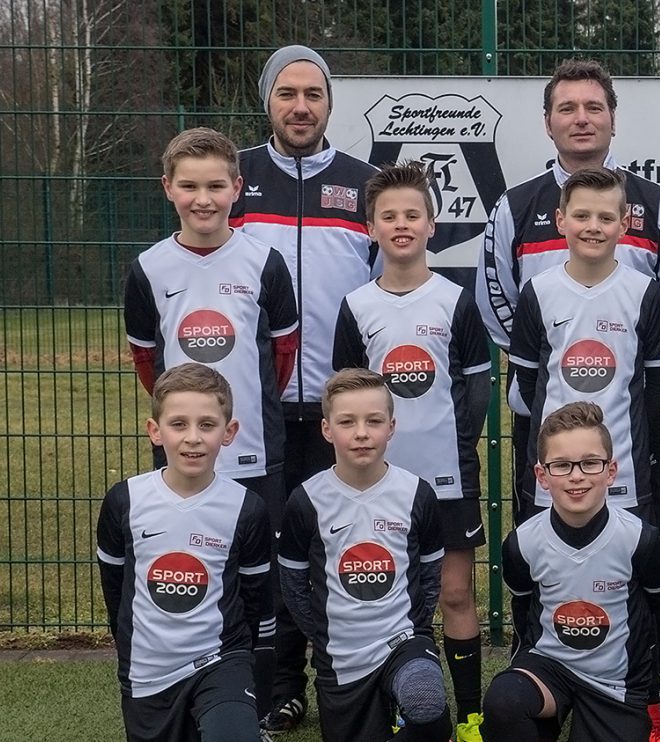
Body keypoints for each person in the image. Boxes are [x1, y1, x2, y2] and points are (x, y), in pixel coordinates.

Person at [474, 57, 660, 549]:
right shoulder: (515, 205)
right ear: (548, 121)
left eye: (594, 106)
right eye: (566, 108)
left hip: (629, 412)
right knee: (540, 544)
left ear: (613, 117)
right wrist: (550, 354)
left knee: (637, 547)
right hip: (544, 406)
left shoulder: (655, 204)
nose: (581, 118)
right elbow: (498, 298)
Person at [229, 44, 379, 733]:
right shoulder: (234, 178)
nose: (299, 106)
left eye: (312, 94)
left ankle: (344, 676)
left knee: (333, 547)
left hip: (337, 410)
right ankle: (276, 685)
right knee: (261, 549)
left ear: (328, 104)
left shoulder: (363, 182)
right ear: (268, 100)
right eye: (286, 93)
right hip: (253, 410)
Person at [331, 161, 491, 741]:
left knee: (453, 593)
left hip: (446, 477)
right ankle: (411, 707)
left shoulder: (457, 301)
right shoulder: (356, 307)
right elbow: (346, 395)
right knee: (398, 602)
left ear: (432, 223)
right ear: (371, 227)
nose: (401, 225)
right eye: (389, 216)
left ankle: (470, 718)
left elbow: (474, 391)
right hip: (379, 482)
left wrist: (450, 445)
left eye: (412, 215)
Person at [124, 126, 299, 533]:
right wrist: (186, 415)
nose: (203, 200)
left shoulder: (266, 263)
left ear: (236, 188)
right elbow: (147, 361)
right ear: (168, 187)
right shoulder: (148, 268)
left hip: (255, 448)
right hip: (182, 453)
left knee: (261, 576)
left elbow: (282, 357)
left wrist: (251, 398)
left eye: (216, 186)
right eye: (189, 186)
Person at [97, 363, 275, 742]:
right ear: (155, 431)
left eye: (207, 425)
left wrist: (242, 659)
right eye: (179, 424)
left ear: (229, 433)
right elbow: (115, 589)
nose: (192, 438)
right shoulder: (124, 501)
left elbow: (255, 598)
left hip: (221, 659)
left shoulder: (248, 508)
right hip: (147, 669)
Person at [481, 402, 660, 742]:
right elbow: (524, 609)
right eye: (561, 465)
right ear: (542, 476)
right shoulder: (522, 544)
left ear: (611, 471)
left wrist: (650, 686)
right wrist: (522, 666)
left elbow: (658, 610)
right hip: (549, 669)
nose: (576, 476)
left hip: (616, 680)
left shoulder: (640, 541)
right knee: (504, 702)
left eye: (590, 463)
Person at [275, 368, 452, 741]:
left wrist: (414, 625)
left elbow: (431, 574)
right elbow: (293, 585)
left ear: (391, 426)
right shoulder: (306, 501)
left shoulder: (416, 494)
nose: (361, 433)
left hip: (403, 642)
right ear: (326, 429)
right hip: (340, 655)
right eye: (347, 422)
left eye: (373, 421)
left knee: (427, 705)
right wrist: (323, 632)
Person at [509, 167, 660, 527]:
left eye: (606, 217)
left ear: (624, 223)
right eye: (581, 216)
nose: (593, 226)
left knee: (628, 571)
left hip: (624, 471)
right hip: (554, 472)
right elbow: (529, 382)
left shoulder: (645, 293)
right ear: (560, 220)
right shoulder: (537, 292)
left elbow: (656, 387)